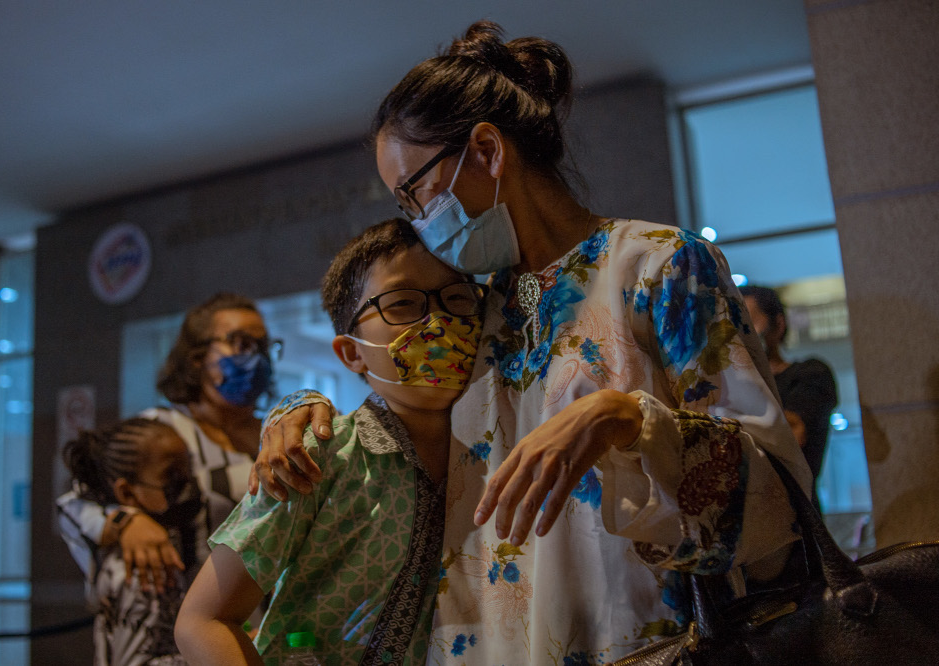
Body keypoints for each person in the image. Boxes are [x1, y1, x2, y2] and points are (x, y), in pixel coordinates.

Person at [252, 21, 811, 664]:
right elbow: (397, 406)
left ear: (487, 152)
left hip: (648, 646)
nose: (418, 221)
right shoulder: (476, 312)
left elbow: (776, 505)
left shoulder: (658, 268)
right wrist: (298, 407)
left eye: (416, 193)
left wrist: (627, 420)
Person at [174, 218, 487, 664]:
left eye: (457, 299)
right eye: (402, 303)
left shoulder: (498, 447)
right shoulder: (315, 455)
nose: (438, 322)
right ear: (352, 352)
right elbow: (203, 619)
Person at [58, 292, 277, 593]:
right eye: (241, 343)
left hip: (273, 613)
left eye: (263, 346)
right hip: (185, 612)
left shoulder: (278, 431)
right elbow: (74, 504)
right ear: (197, 358)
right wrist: (125, 522)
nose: (257, 357)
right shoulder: (161, 432)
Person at [61, 417, 204, 665]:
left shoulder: (170, 540)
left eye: (188, 469)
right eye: (171, 476)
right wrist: (214, 654)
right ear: (127, 492)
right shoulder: (142, 567)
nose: (187, 484)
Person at [740, 285, 838, 508]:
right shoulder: (725, 387)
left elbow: (792, 435)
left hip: (794, 512)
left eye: (748, 324)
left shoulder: (810, 374)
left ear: (778, 325)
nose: (739, 336)